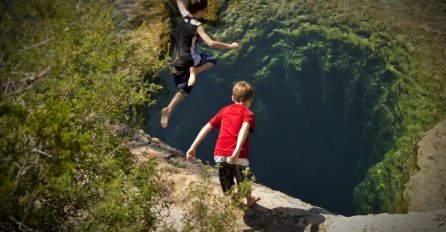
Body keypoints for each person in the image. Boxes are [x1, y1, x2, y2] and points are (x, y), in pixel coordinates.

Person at [160, 0, 240, 128]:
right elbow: (211, 43)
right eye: (205, 10)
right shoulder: (198, 26)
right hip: (189, 59)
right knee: (212, 61)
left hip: (175, 60)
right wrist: (231, 46)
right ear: (201, 11)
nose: (206, 11)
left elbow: (179, 2)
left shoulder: (185, 15)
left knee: (184, 89)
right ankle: (194, 71)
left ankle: (169, 109)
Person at [186, 81, 260, 207]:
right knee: (244, 178)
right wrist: (236, 151)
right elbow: (244, 130)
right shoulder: (249, 114)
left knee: (226, 183)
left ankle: (232, 197)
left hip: (219, 153)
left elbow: (207, 127)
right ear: (250, 100)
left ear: (232, 97)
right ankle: (249, 199)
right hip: (238, 156)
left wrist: (193, 147)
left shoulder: (224, 111)